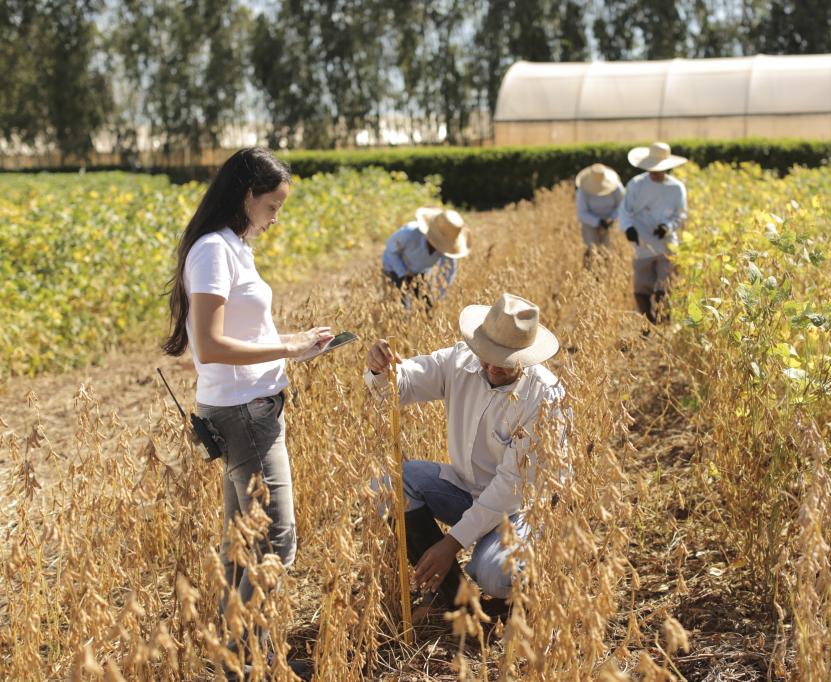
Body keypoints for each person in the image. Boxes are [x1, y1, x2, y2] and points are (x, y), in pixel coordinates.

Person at [161, 147, 332, 677]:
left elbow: (242, 336)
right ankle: (252, 661)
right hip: (245, 416)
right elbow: (210, 347)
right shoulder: (213, 250)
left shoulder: (233, 247)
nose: (276, 218)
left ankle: (235, 656)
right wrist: (287, 348)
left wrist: (297, 343)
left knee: (242, 542)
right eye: (273, 206)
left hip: (249, 409)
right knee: (276, 539)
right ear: (246, 196)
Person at [364, 293, 565, 618]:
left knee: (499, 575)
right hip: (465, 490)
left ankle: (501, 594)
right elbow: (400, 387)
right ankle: (456, 596)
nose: (490, 366)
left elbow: (510, 490)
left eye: (504, 360)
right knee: (390, 484)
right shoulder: (460, 360)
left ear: (526, 358)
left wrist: (452, 543)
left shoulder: (545, 399)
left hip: (517, 511)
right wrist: (380, 370)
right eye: (487, 354)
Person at [619, 142, 688, 324]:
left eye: (659, 169)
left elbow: (680, 215)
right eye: (652, 169)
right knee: (641, 286)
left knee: (664, 286)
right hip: (642, 242)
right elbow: (625, 211)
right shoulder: (636, 185)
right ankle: (647, 323)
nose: (655, 173)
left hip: (666, 243)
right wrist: (629, 228)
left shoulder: (676, 188)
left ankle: (664, 321)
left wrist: (668, 226)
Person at [381, 207, 469, 307]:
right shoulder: (409, 233)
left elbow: (448, 271)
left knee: (428, 307)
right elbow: (391, 252)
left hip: (420, 272)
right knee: (400, 306)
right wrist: (403, 272)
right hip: (394, 268)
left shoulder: (448, 248)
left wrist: (439, 296)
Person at [574, 163, 624, 267]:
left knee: (610, 251)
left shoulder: (616, 186)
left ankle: (609, 273)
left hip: (611, 223)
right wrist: (598, 222)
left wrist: (611, 218)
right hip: (590, 225)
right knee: (591, 251)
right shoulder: (583, 190)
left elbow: (622, 205)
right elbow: (582, 213)